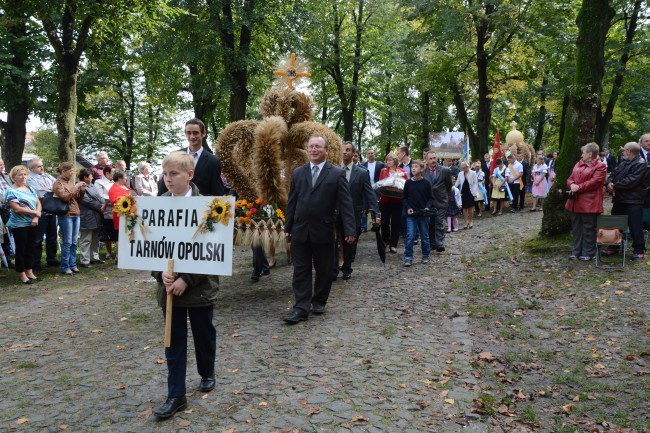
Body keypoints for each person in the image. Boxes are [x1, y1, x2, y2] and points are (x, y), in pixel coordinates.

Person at [151, 152, 219, 419]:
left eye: (174, 174)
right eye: (165, 174)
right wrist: (161, 274)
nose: (168, 180)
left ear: (189, 175)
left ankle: (207, 371)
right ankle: (176, 395)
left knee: (203, 333)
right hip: (169, 289)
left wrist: (187, 279)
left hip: (199, 287)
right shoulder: (157, 205)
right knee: (174, 341)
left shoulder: (210, 207)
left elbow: (213, 249)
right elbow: (151, 247)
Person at [283, 134, 356, 323]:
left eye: (318, 147)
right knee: (300, 270)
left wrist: (350, 230)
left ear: (326, 151)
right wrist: (287, 226)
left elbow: (346, 204)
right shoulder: (298, 173)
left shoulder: (336, 174)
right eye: (311, 147)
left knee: (324, 269)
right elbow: (292, 202)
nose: (314, 150)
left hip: (323, 230)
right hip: (300, 229)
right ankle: (300, 307)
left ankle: (319, 300)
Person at [334, 142, 380, 280]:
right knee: (333, 241)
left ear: (353, 153)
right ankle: (333, 269)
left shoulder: (361, 173)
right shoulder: (333, 170)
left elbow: (370, 195)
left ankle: (347, 268)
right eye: (342, 149)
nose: (344, 152)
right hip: (334, 212)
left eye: (348, 150)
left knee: (349, 242)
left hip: (353, 213)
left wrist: (376, 213)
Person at [158, 118, 225, 197]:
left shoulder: (213, 161)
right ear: (185, 134)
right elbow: (163, 187)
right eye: (188, 133)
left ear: (203, 133)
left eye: (195, 133)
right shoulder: (174, 155)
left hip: (200, 206)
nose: (192, 136)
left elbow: (217, 192)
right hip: (173, 205)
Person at [604, 142, 647, 260]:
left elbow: (631, 181)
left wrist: (614, 186)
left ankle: (639, 249)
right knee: (615, 224)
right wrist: (609, 183)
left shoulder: (641, 163)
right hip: (619, 199)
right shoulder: (624, 162)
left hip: (633, 200)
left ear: (629, 151)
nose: (622, 152)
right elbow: (613, 173)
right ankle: (613, 247)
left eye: (624, 150)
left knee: (635, 226)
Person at [565, 142, 607, 261]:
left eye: (583, 152)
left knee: (588, 228)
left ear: (589, 154)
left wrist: (579, 187)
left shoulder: (600, 166)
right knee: (576, 227)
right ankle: (576, 250)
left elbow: (595, 182)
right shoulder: (578, 164)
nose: (582, 154)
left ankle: (589, 252)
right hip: (574, 202)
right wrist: (572, 184)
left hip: (590, 202)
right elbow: (570, 178)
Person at [3, 165, 41, 284]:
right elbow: (17, 209)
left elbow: (38, 203)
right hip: (19, 224)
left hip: (33, 222)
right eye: (20, 174)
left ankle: (29, 270)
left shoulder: (30, 189)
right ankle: (21, 273)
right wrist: (35, 212)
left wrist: (36, 216)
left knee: (31, 247)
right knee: (21, 249)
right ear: (14, 177)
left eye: (25, 174)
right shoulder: (11, 191)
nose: (23, 177)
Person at [25, 158, 60, 270]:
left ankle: (51, 259)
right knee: (38, 239)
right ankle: (36, 263)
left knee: (52, 236)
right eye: (39, 166)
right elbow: (39, 193)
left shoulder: (47, 176)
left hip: (52, 210)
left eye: (42, 165)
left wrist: (49, 189)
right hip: (40, 211)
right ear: (31, 168)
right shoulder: (29, 179)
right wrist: (51, 189)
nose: (42, 167)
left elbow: (58, 186)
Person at [52, 162, 86, 275]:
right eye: (70, 171)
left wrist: (82, 191)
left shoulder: (70, 183)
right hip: (66, 215)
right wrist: (76, 187)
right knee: (67, 241)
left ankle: (73, 265)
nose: (72, 173)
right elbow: (65, 198)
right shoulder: (58, 184)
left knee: (74, 241)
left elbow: (78, 200)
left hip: (76, 213)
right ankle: (65, 266)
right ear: (63, 171)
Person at [402, 160, 432, 267]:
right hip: (411, 214)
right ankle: (408, 257)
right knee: (410, 236)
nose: (413, 168)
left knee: (424, 236)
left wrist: (427, 207)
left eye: (416, 166)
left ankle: (426, 255)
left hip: (423, 214)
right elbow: (404, 198)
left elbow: (430, 198)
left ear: (422, 169)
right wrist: (408, 207)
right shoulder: (408, 183)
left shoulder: (426, 183)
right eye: (412, 167)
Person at [423, 151, 452, 252]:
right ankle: (432, 243)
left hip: (441, 201)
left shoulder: (445, 171)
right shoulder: (423, 172)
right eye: (430, 159)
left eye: (434, 158)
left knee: (439, 222)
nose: (433, 160)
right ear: (426, 160)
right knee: (430, 223)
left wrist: (444, 196)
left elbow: (449, 186)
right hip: (429, 202)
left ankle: (440, 243)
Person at [378, 153, 407, 254]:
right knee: (384, 222)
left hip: (397, 201)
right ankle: (386, 239)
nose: (388, 162)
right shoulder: (383, 171)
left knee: (396, 223)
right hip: (385, 200)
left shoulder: (402, 172)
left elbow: (406, 185)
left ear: (395, 161)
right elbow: (380, 183)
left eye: (390, 160)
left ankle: (393, 244)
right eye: (387, 160)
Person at [78, 169, 105, 267]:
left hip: (97, 215)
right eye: (90, 176)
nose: (92, 177)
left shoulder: (92, 186)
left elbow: (100, 197)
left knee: (95, 238)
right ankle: (85, 260)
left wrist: (103, 204)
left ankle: (94, 257)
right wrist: (100, 206)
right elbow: (86, 200)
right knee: (86, 238)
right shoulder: (80, 186)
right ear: (85, 178)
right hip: (87, 216)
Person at [109, 170, 137, 259]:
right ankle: (118, 256)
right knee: (120, 236)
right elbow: (115, 201)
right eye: (125, 177)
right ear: (120, 178)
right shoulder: (113, 189)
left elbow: (134, 194)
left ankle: (128, 255)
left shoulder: (125, 186)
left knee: (129, 233)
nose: (126, 178)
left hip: (130, 214)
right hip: (120, 216)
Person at [95, 165, 117, 260]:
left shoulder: (116, 182)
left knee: (117, 232)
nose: (115, 174)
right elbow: (100, 196)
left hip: (117, 210)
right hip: (106, 210)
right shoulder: (99, 182)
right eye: (113, 172)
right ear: (107, 173)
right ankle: (109, 252)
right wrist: (114, 198)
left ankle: (118, 254)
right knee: (107, 232)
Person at [360, 148, 384, 232]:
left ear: (375, 154)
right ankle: (364, 226)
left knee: (375, 207)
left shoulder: (380, 165)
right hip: (366, 189)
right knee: (365, 207)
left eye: (372, 153)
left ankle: (375, 224)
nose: (370, 154)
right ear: (366, 155)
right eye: (369, 153)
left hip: (376, 189)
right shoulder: (362, 165)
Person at [0, 158, 14, 267]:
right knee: (2, 234)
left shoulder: (5, 176)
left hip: (8, 209)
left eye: (2, 164)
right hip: (1, 209)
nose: (2, 166)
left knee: (8, 234)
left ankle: (8, 259)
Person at [455, 161, 478, 229]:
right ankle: (465, 222)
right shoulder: (460, 174)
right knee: (464, 207)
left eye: (466, 167)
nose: (464, 169)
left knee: (470, 207)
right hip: (463, 192)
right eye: (463, 168)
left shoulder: (473, 173)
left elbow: (475, 183)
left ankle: (471, 221)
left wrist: (474, 192)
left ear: (468, 166)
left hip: (470, 192)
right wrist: (453, 188)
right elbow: (457, 182)